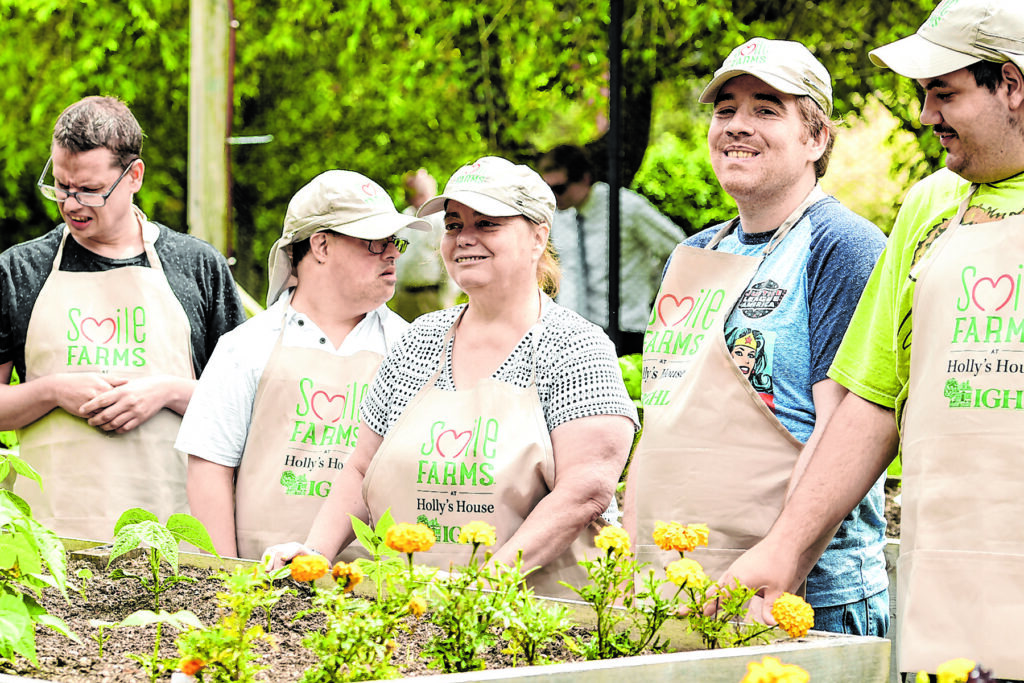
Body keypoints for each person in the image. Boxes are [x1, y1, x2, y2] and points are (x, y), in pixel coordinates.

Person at [716, 1, 1024, 678]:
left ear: (1011, 84)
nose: (926, 115)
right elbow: (871, 400)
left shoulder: (840, 242)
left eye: (944, 93)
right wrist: (786, 549)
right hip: (950, 589)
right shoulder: (931, 206)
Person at [264, 156, 639, 598]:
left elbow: (584, 492)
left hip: (534, 619)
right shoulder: (419, 341)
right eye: (454, 225)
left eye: (487, 224)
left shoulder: (574, 347)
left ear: (538, 237)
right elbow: (362, 469)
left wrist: (484, 590)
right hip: (409, 611)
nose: (465, 238)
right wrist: (314, 554)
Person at [622, 38, 890, 637]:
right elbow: (659, 419)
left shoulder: (842, 247)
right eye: (726, 110)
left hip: (797, 598)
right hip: (677, 586)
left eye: (766, 109)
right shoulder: (694, 253)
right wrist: (633, 557)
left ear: (816, 138)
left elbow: (843, 427)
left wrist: (784, 563)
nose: (737, 126)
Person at [0, 96, 246, 539]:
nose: (72, 204)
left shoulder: (197, 266)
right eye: (61, 186)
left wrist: (166, 392)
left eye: (90, 190)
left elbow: (243, 408)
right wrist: (53, 391)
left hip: (174, 541)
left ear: (134, 176)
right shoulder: (19, 270)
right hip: (49, 542)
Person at [176, 170, 430, 560]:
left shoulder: (412, 348)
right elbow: (210, 469)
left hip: (376, 589)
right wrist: (226, 580)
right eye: (375, 242)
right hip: (262, 582)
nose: (393, 253)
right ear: (321, 245)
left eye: (394, 241)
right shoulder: (245, 347)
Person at [537, 144, 685, 353]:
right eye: (547, 189)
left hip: (625, 329)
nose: (553, 197)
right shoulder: (558, 215)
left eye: (559, 189)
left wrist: (653, 286)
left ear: (585, 179)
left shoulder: (624, 206)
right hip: (574, 333)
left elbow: (678, 247)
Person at [390, 168, 456, 321]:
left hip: (430, 296)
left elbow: (449, 261)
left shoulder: (440, 220)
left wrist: (446, 299)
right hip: (405, 296)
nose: (407, 193)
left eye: (412, 189)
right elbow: (398, 256)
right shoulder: (404, 217)